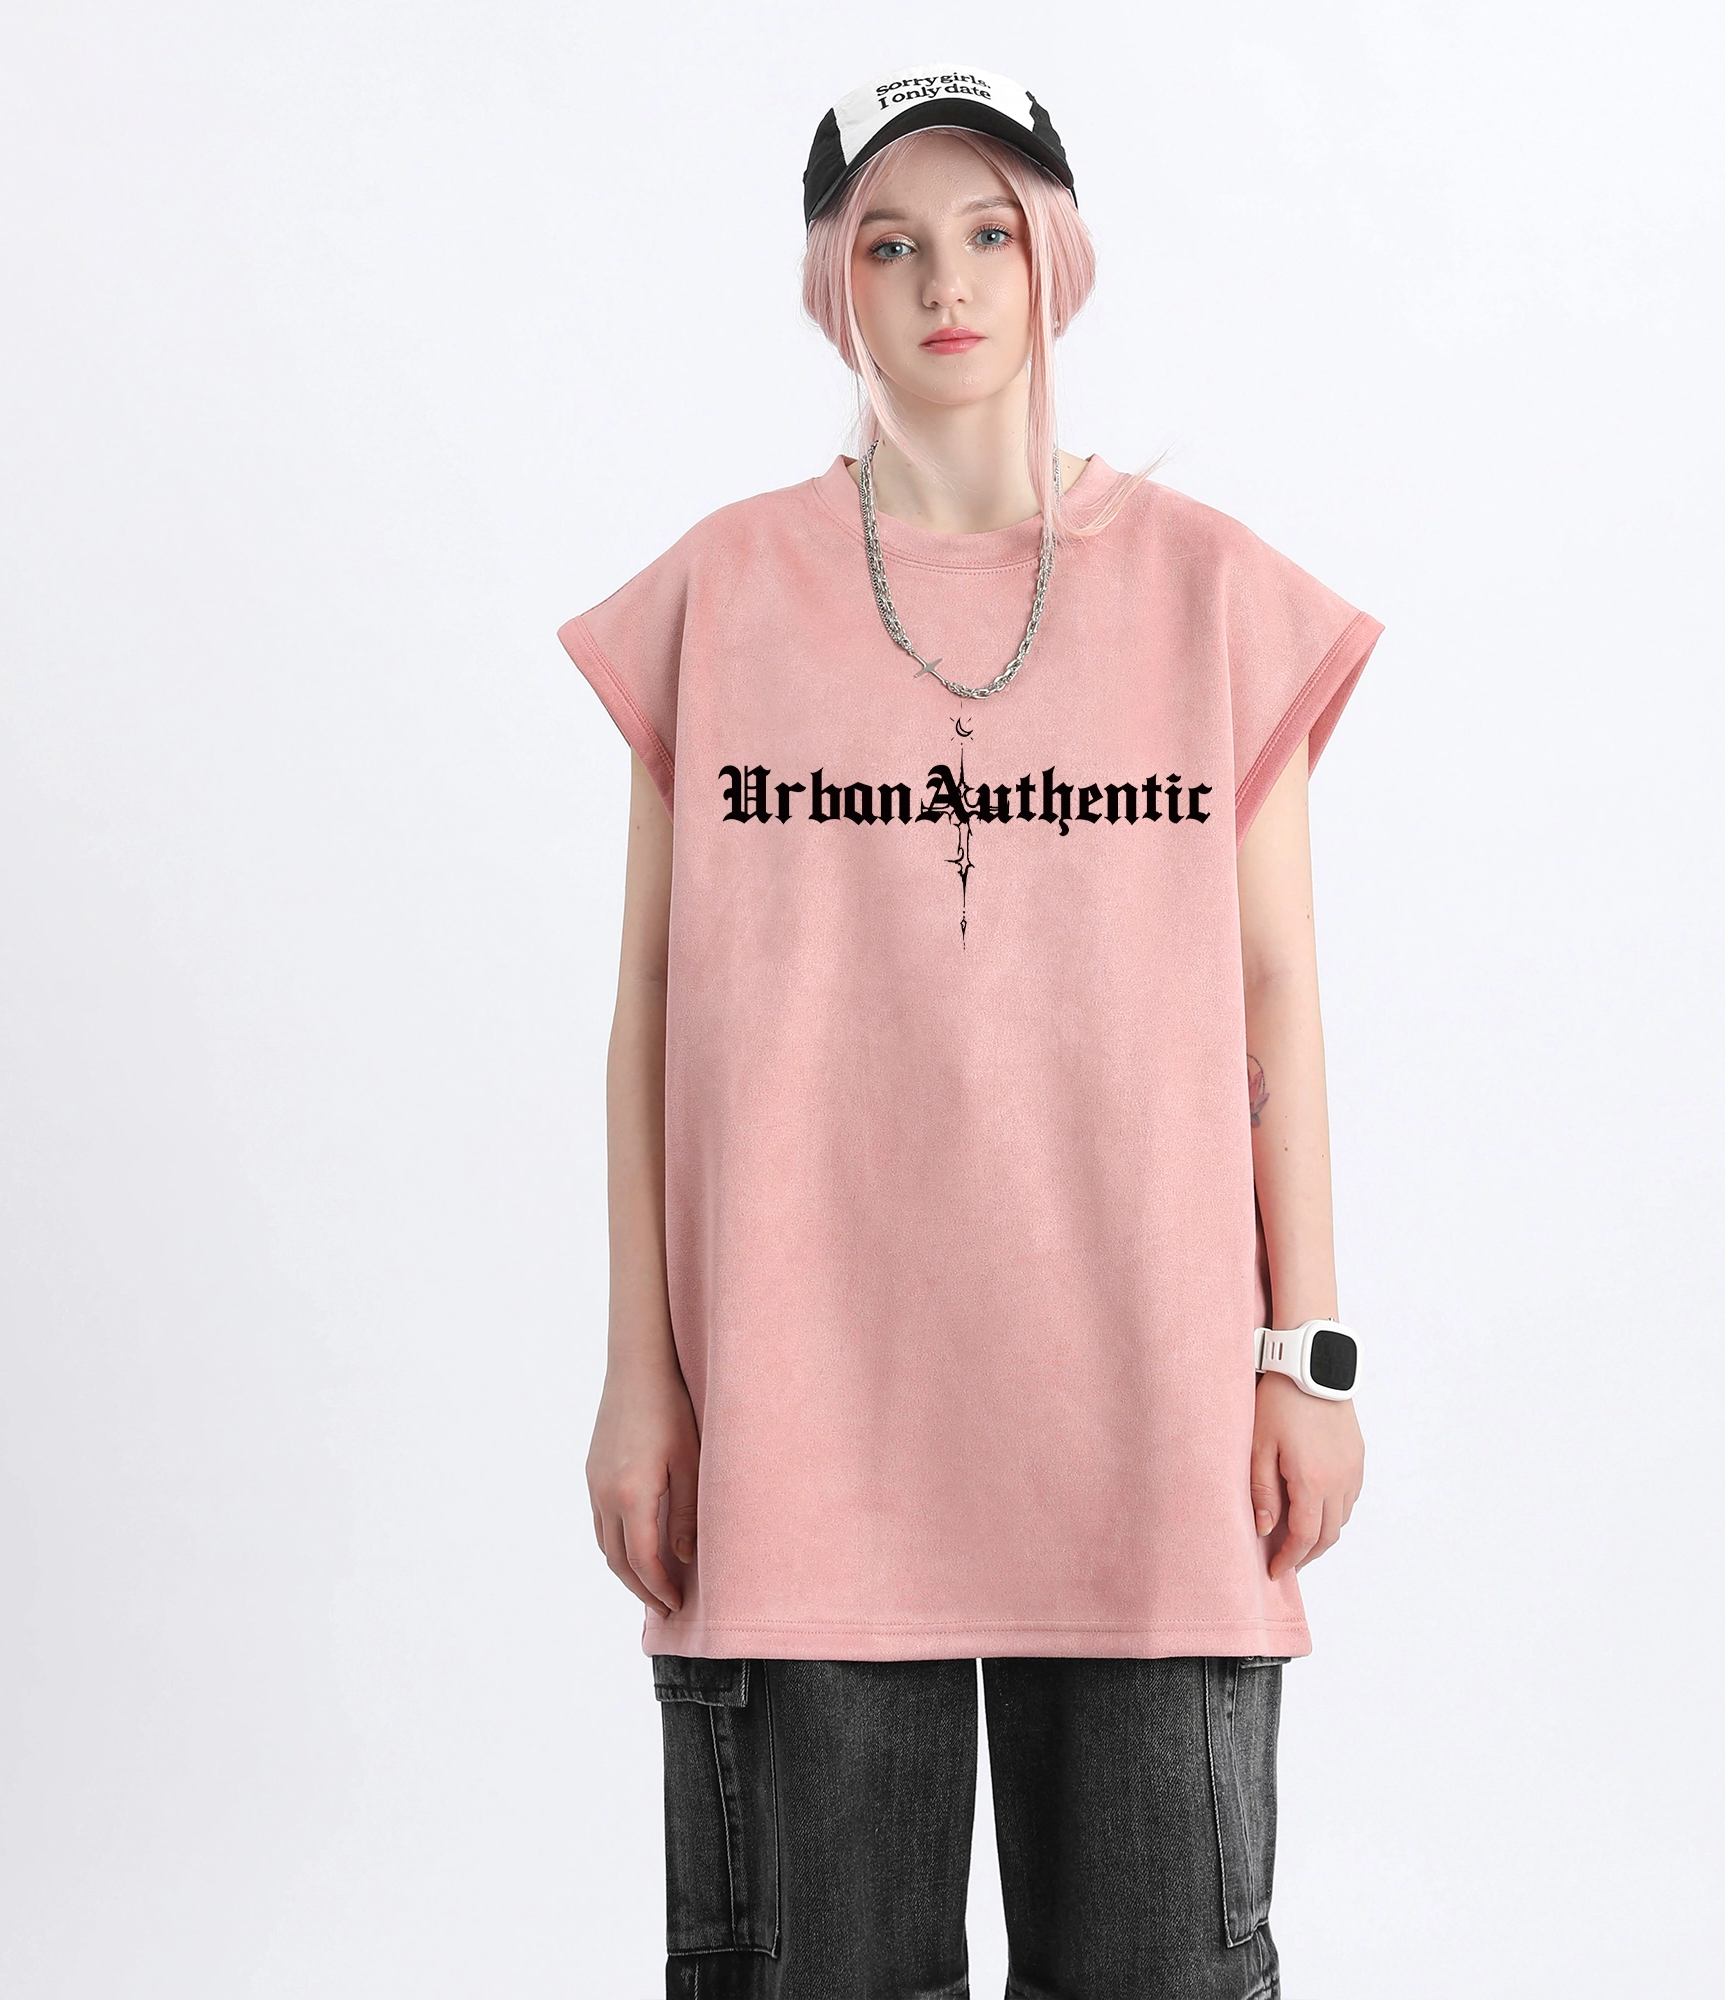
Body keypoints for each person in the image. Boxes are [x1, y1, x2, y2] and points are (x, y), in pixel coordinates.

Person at [557, 63, 1384, 2000]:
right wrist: (639, 1376)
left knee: (1163, 1972)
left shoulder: (1213, 597)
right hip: (799, 1418)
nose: (945, 282)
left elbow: (1275, 989)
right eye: (890, 243)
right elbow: (649, 1007)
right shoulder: (718, 595)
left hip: (1149, 1414)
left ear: (1054, 261)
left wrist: (1308, 1354)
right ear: (829, 284)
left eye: (990, 233)